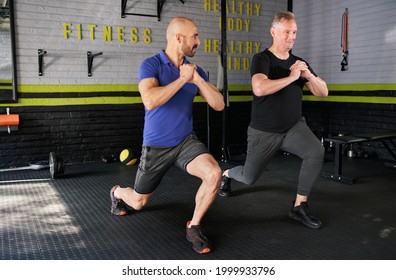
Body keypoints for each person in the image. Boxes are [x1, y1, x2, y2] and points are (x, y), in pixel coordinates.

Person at [110, 17, 225, 254]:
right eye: (194, 36)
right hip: (156, 145)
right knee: (139, 202)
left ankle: (193, 226)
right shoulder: (151, 64)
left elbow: (219, 104)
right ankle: (117, 193)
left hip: (185, 142)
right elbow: (150, 100)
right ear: (178, 38)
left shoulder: (196, 71)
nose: (198, 41)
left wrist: (198, 79)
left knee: (214, 173)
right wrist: (183, 79)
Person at [218, 11, 328, 229]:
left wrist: (309, 76)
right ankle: (227, 173)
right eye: (286, 32)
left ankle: (299, 207)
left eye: (294, 32)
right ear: (273, 32)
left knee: (316, 151)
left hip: (294, 127)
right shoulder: (262, 59)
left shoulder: (299, 63)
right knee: (249, 177)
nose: (291, 36)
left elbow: (323, 92)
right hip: (264, 132)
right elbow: (259, 88)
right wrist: (291, 77)